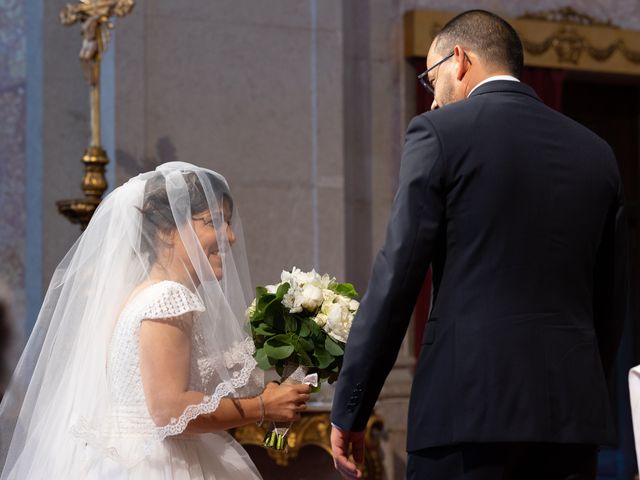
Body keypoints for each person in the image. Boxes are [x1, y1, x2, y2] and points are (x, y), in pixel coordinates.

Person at [331, 10, 628, 480]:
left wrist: (351, 405)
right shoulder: (596, 152)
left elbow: (397, 275)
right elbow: (611, 302)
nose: (431, 101)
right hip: (570, 421)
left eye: (432, 80)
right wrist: (581, 390)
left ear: (460, 59)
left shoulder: (439, 134)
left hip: (466, 411)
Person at [0, 162, 311, 479]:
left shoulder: (140, 295)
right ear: (167, 232)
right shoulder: (167, 298)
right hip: (161, 463)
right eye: (213, 223)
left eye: (228, 224)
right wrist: (261, 407)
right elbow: (169, 409)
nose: (229, 237)